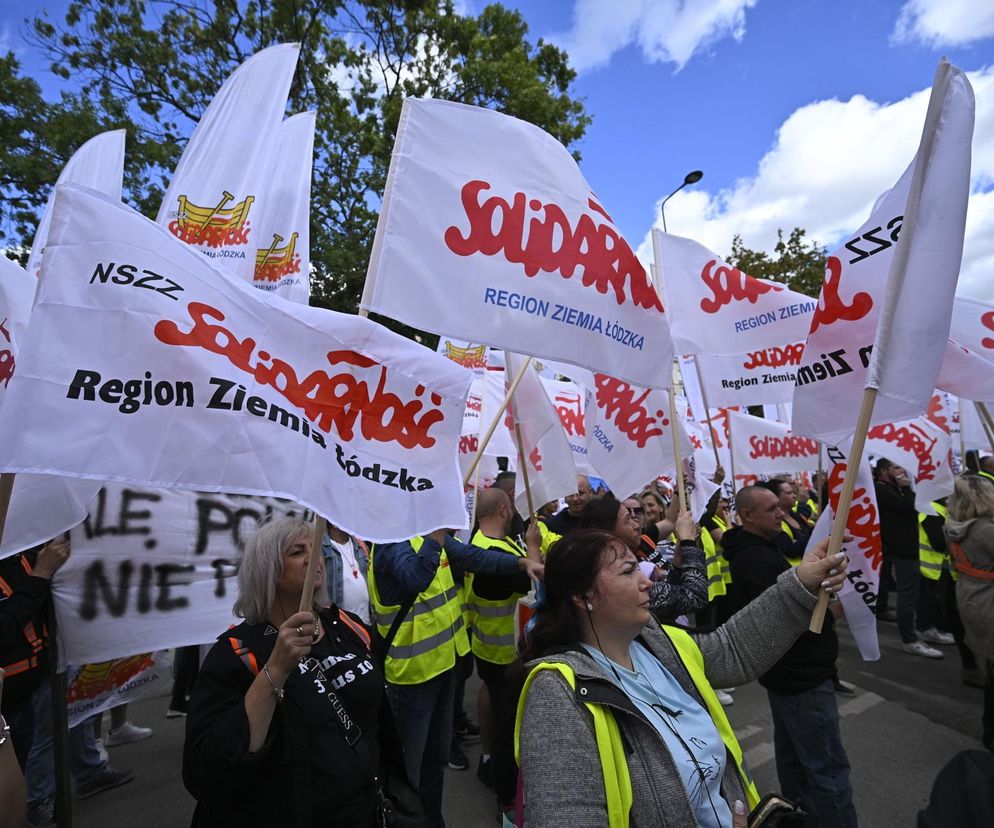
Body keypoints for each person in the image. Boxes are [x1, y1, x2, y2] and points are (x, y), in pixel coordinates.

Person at [515, 526, 849, 827]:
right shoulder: (556, 692)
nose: (647, 581)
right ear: (583, 596)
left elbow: (733, 649)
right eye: (629, 571)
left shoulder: (659, 640)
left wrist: (801, 582)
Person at [184, 517, 383, 826]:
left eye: (315, 548)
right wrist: (275, 670)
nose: (313, 558)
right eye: (297, 552)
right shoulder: (237, 654)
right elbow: (207, 773)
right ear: (267, 569)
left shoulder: (347, 626)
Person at [369, 527, 544, 827]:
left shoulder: (424, 532)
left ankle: (432, 821)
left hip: (443, 667)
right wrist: (435, 539)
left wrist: (521, 563)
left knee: (433, 764)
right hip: (412, 677)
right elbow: (415, 579)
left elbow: (474, 557)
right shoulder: (390, 540)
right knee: (407, 773)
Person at [721, 485, 858, 827]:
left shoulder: (762, 548)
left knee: (797, 764)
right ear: (747, 515)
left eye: (779, 507)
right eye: (771, 508)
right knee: (827, 773)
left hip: (789, 676)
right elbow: (782, 614)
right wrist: (827, 612)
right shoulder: (755, 558)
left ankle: (800, 821)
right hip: (801, 677)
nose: (781, 512)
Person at [465, 488, 539, 809]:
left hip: (488, 646)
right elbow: (536, 585)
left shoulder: (478, 545)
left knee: (499, 712)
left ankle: (495, 769)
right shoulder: (496, 555)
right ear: (505, 510)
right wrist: (533, 548)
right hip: (504, 653)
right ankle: (506, 797)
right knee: (508, 727)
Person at [579, 496, 708, 622]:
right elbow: (694, 598)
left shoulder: (613, 562)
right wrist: (688, 542)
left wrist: (678, 561)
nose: (636, 525)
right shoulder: (615, 576)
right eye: (627, 520)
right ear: (608, 530)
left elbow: (669, 604)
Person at [943, 475, 994, 751]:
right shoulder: (985, 530)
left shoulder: (953, 526)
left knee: (990, 667)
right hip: (988, 601)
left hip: (969, 597)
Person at [875, 459, 941, 658]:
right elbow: (908, 506)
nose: (902, 470)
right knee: (907, 597)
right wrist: (907, 488)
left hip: (909, 549)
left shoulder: (893, 488)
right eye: (896, 467)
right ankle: (910, 639)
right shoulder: (882, 490)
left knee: (919, 593)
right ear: (884, 471)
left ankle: (925, 628)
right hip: (901, 551)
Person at [322, 522, 371, 624]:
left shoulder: (360, 544)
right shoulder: (322, 548)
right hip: (341, 626)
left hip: (367, 623)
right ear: (334, 523)